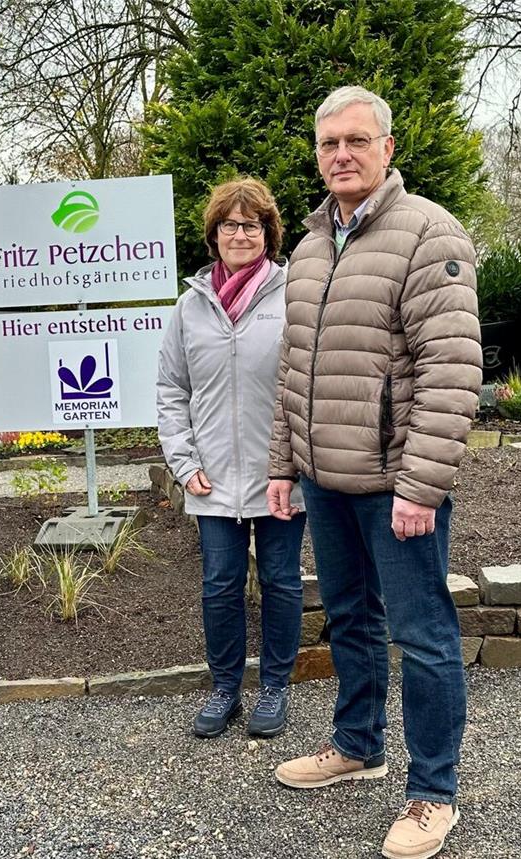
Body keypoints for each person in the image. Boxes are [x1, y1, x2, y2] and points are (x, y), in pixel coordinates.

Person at [266, 86, 482, 859]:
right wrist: (283, 464)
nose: (342, 156)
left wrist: (421, 484)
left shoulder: (428, 233)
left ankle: (433, 794)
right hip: (326, 480)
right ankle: (358, 745)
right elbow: (295, 366)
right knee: (351, 619)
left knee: (423, 634)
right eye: (329, 144)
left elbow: (452, 368)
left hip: (397, 486)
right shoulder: (310, 246)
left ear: (387, 148)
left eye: (357, 141)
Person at [157, 177, 306, 739]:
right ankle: (224, 688)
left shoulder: (294, 296)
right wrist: (183, 459)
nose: (239, 234)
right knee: (219, 583)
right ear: (213, 234)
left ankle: (273, 688)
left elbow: (308, 384)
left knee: (281, 580)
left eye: (251, 224)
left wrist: (292, 464)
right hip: (211, 476)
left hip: (281, 474)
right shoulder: (190, 307)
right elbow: (171, 388)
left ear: (267, 233)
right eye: (229, 225)